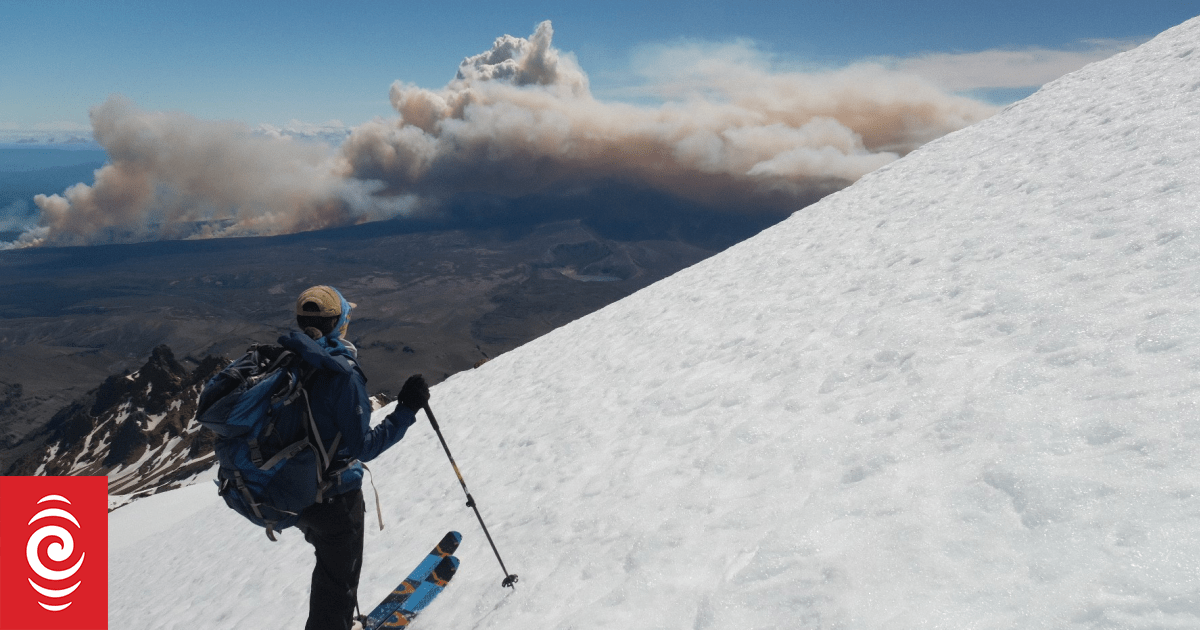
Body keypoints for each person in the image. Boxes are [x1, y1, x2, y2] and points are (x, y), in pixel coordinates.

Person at [279, 285, 430, 630]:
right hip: (335, 499)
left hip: (299, 494)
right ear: (338, 324)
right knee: (337, 586)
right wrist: (405, 409)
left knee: (331, 574)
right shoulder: (340, 375)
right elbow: (364, 447)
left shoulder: (289, 357)